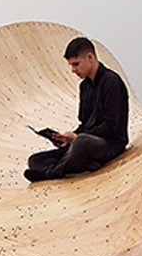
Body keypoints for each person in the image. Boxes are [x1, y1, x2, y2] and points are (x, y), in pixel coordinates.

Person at [25, 36, 129, 182]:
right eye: (71, 66)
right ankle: (85, 164)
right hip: (85, 142)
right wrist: (68, 138)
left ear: (90, 57)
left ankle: (52, 173)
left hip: (109, 144)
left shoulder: (111, 82)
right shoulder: (84, 86)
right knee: (34, 160)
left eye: (76, 64)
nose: (74, 70)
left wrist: (77, 138)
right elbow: (85, 124)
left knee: (82, 142)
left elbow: (111, 127)